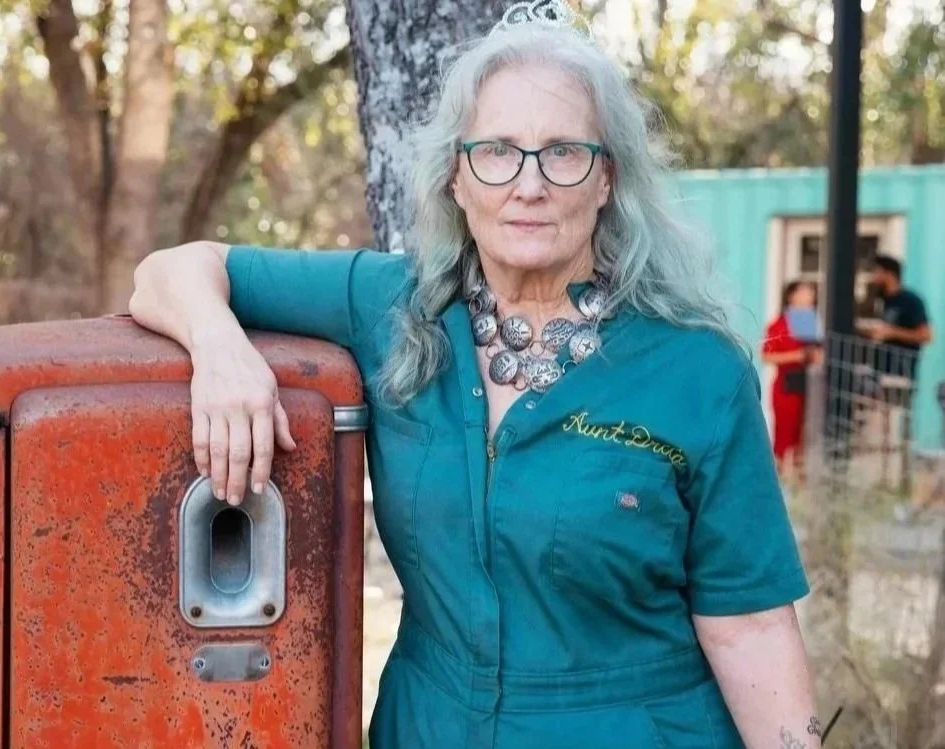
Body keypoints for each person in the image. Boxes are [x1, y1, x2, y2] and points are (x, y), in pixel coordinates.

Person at [129, 3, 821, 747]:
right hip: (428, 724)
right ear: (456, 177)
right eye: (496, 150)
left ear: (606, 180)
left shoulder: (696, 371)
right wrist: (220, 349)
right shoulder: (389, 305)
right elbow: (167, 272)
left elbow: (749, 626)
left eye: (563, 153)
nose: (528, 184)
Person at [762, 281, 821, 480]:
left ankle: (798, 480)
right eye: (804, 293)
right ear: (791, 297)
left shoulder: (808, 323)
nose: (809, 298)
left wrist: (815, 356)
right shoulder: (779, 324)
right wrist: (796, 356)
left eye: (811, 294)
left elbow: (816, 353)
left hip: (808, 384)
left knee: (802, 436)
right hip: (786, 385)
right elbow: (766, 356)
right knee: (783, 436)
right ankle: (777, 480)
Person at [862, 255, 932, 379]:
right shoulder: (882, 300)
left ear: (889, 274)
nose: (874, 277)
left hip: (900, 373)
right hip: (878, 369)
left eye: (878, 272)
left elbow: (925, 335)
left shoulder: (910, 300)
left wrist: (892, 332)